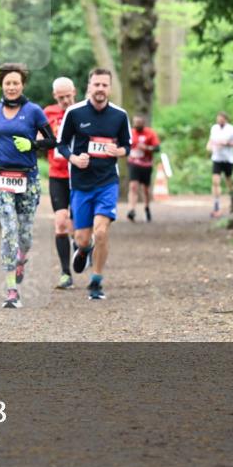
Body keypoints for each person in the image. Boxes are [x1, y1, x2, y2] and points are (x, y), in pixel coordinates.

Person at [0, 63, 56, 309]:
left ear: (22, 85)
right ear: (2, 85)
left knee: (25, 236)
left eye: (16, 83)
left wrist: (33, 145)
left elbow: (52, 140)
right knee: (9, 230)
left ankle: (22, 257)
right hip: (0, 178)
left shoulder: (34, 112)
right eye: (7, 83)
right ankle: (11, 290)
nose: (11, 87)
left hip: (28, 178)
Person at [56, 68, 131, 301]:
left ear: (109, 88)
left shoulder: (119, 115)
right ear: (89, 87)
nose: (100, 89)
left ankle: (96, 281)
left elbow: (127, 146)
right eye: (96, 85)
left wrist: (117, 151)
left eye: (104, 85)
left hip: (107, 182)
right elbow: (61, 144)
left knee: (101, 231)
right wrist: (74, 159)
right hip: (80, 184)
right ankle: (84, 249)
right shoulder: (74, 113)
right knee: (83, 238)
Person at [43, 77, 77, 289]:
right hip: (57, 174)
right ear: (55, 96)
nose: (65, 100)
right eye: (61, 97)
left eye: (68, 96)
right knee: (61, 221)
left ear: (75, 92)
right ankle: (66, 273)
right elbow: (38, 135)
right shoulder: (48, 113)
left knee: (79, 224)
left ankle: (83, 247)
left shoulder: (83, 112)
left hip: (80, 175)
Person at [126, 115, 161, 223]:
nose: (137, 125)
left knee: (145, 189)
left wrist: (146, 148)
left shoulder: (150, 133)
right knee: (133, 186)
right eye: (135, 122)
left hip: (146, 164)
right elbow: (124, 145)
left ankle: (146, 207)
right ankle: (132, 209)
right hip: (134, 163)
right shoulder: (130, 133)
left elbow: (157, 148)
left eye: (139, 123)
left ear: (143, 123)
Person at [206, 111, 233, 218]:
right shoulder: (214, 128)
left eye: (221, 118)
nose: (219, 120)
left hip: (228, 159)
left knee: (229, 182)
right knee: (215, 181)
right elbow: (211, 140)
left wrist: (227, 144)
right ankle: (216, 205)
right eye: (218, 118)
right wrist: (208, 146)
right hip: (217, 158)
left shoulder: (232, 129)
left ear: (225, 119)